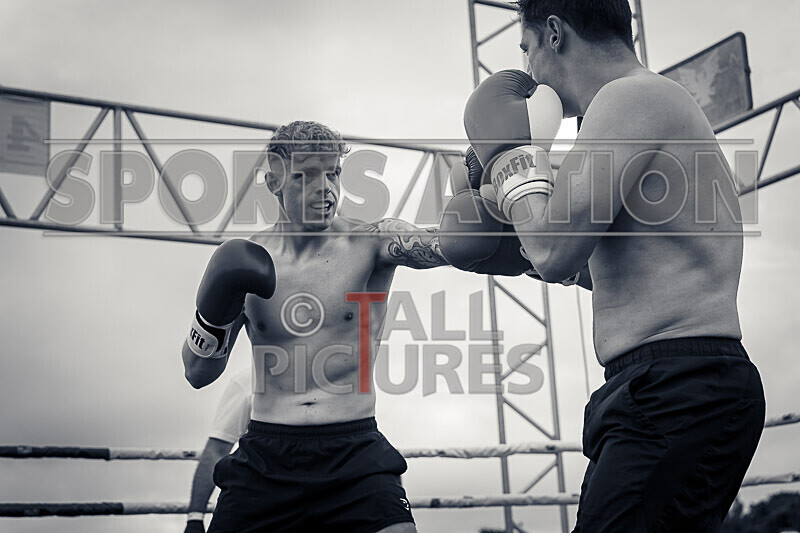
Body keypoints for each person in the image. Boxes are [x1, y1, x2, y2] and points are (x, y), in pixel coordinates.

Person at [457, 0, 766, 531]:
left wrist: (511, 161)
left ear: (555, 33)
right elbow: (592, 267)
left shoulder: (630, 96)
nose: (528, 71)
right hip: (668, 383)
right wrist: (515, 248)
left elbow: (554, 251)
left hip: (677, 385)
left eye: (526, 49)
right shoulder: (645, 105)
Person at [181, 119, 527, 533]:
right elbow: (198, 373)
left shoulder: (372, 241)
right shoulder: (246, 262)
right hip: (266, 456)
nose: (324, 188)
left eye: (333, 173)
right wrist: (213, 312)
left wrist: (508, 220)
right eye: (306, 176)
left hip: (354, 452)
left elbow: (446, 246)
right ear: (273, 180)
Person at [184, 369, 252, 533]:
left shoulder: (324, 381)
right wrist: (195, 518)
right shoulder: (248, 381)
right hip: (257, 502)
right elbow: (216, 451)